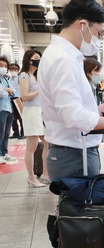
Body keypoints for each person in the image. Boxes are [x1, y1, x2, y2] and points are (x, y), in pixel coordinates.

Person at [37, 0, 104, 248]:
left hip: (73, 152)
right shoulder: (62, 59)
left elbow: (74, 111)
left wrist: (97, 112)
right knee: (78, 229)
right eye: (99, 32)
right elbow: (73, 117)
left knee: (74, 226)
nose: (100, 39)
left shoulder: (64, 56)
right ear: (82, 25)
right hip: (72, 156)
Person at [19, 50, 50, 188]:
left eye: (40, 57)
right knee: (31, 147)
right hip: (31, 112)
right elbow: (24, 96)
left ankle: (45, 174)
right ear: (29, 60)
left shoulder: (37, 76)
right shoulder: (24, 75)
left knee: (47, 143)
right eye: (36, 58)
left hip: (41, 112)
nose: (39, 60)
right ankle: (31, 177)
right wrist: (40, 90)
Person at [0, 55, 18, 164]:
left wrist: (7, 90)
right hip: (1, 109)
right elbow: (2, 94)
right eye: (1, 65)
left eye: (5, 66)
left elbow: (14, 91)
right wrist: (7, 91)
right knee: (0, 132)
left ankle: (4, 153)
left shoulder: (5, 79)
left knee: (6, 132)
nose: (3, 67)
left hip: (9, 109)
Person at [8, 63, 25, 139]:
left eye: (15, 70)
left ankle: (23, 132)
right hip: (10, 99)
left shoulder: (20, 79)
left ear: (18, 70)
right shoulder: (8, 79)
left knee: (21, 117)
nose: (13, 71)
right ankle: (16, 132)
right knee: (12, 117)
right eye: (12, 69)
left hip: (19, 99)